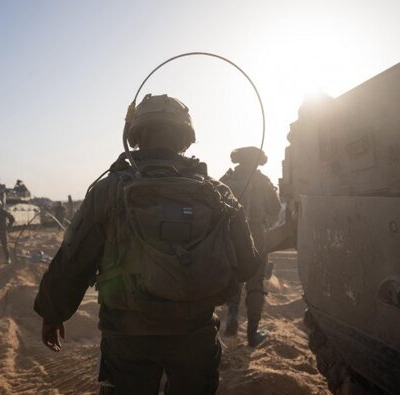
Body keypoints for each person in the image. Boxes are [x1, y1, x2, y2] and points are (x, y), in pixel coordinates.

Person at [34, 94, 260, 394]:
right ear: (184, 139)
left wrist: (53, 313)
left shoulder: (109, 190)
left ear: (136, 136)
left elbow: (74, 259)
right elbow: (248, 266)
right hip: (195, 333)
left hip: (128, 336)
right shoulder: (218, 193)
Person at [220, 146, 282, 347]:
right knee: (256, 282)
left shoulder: (227, 179)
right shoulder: (262, 181)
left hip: (232, 234)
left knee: (236, 277)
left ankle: (232, 316)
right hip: (257, 234)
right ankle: (252, 334)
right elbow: (275, 209)